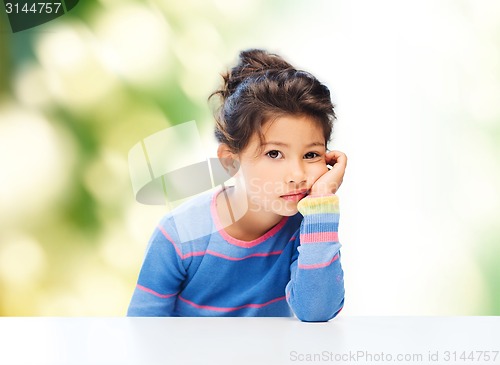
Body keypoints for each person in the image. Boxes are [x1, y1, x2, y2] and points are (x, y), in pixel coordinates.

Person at [127, 49, 347, 322]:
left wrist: (322, 201)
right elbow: (141, 331)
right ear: (230, 163)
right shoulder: (179, 235)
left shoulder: (309, 228)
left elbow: (316, 311)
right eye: (274, 154)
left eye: (311, 154)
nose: (297, 174)